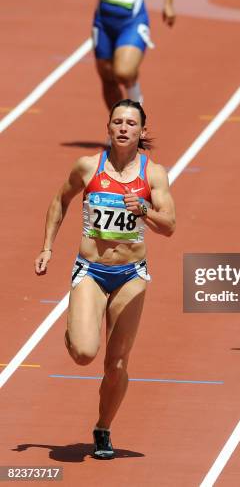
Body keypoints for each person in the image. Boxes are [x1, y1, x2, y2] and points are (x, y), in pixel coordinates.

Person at [34, 99, 176, 459]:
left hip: (131, 274)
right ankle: (75, 329)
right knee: (84, 353)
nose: (124, 128)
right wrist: (48, 247)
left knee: (116, 363)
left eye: (131, 123)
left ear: (142, 131)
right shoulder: (87, 167)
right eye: (118, 122)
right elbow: (59, 201)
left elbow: (169, 226)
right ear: (109, 128)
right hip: (92, 270)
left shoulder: (153, 173)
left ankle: (103, 428)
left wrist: (142, 209)